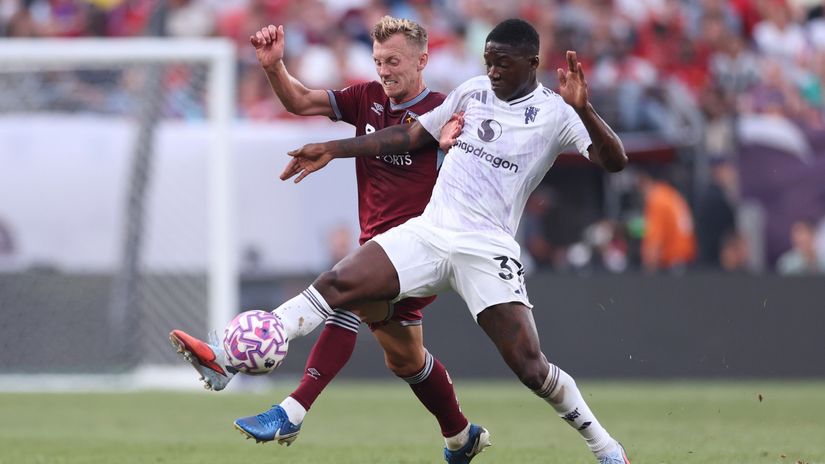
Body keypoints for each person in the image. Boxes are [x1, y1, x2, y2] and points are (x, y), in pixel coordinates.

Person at [259, 18, 631, 464]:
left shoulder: (557, 112)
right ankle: (261, 340)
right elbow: (410, 135)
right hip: (430, 231)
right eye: (488, 62)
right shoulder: (471, 91)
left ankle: (605, 448)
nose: (492, 72)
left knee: (530, 368)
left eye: (503, 64)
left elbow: (615, 162)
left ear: (532, 63)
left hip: (486, 247)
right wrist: (333, 149)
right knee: (339, 283)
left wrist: (585, 109)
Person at [169, 16, 490, 463]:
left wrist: (456, 146)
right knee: (405, 359)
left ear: (422, 59)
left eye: (394, 61)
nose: (384, 70)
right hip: (376, 246)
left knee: (342, 296)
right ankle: (461, 437)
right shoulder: (366, 98)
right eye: (379, 61)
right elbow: (300, 100)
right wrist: (273, 67)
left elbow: (453, 156)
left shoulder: (443, 110)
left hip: (420, 251)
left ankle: (265, 389)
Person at [636, 167, 697, 273]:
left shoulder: (656, 199)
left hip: (673, 263)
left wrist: (647, 272)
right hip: (686, 260)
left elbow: (653, 243)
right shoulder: (669, 194)